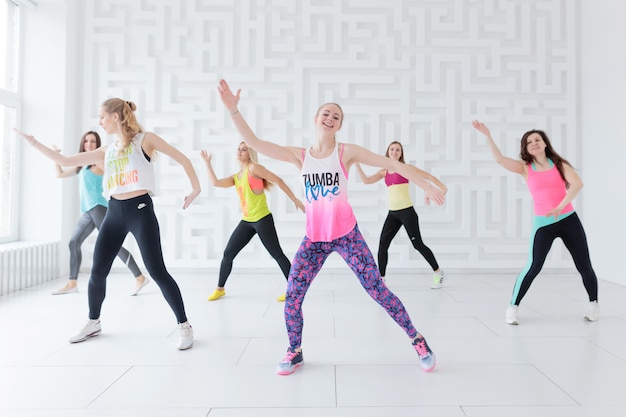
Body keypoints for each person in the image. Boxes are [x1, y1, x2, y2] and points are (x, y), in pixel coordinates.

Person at [218, 79, 447, 375]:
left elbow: (395, 165)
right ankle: (295, 351)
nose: (330, 118)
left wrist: (426, 186)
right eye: (326, 113)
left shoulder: (345, 153)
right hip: (314, 240)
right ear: (316, 120)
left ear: (339, 126)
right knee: (293, 297)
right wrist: (234, 111)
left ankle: (417, 340)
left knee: (378, 290)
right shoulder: (299, 155)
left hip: (347, 236)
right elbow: (257, 143)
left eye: (336, 116)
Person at [15, 98, 201, 349]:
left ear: (116, 117)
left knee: (156, 270)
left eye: (102, 116)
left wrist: (195, 188)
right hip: (114, 211)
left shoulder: (144, 140)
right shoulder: (107, 150)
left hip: (140, 210)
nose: (99, 122)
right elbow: (69, 161)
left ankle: (184, 326)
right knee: (98, 270)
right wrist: (34, 143)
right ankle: (93, 322)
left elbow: (183, 159)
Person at [471, 120, 599, 325]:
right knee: (533, 266)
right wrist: (487, 135)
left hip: (568, 220)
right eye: (529, 142)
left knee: (584, 265)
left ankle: (594, 305)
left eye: (537, 139)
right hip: (543, 224)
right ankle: (512, 307)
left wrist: (560, 206)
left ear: (545, 143)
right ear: (526, 148)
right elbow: (500, 159)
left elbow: (577, 184)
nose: (534, 143)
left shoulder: (559, 165)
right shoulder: (524, 168)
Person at [200, 142, 305, 302]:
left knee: (277, 254)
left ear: (250, 154)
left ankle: (295, 289)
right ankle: (220, 289)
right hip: (247, 221)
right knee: (228, 254)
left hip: (262, 219)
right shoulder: (237, 176)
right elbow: (216, 183)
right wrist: (207, 163)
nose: (240, 151)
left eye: (244, 149)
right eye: (239, 149)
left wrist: (294, 198)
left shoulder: (254, 168)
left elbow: (278, 179)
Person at [51, 131, 150, 296]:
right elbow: (59, 174)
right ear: (82, 143)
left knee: (113, 246)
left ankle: (139, 277)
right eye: (86, 141)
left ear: (97, 145)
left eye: (93, 142)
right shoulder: (82, 165)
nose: (89, 144)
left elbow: (114, 172)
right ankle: (72, 282)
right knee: (73, 242)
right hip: (88, 211)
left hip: (99, 207)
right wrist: (56, 156)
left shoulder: (98, 162)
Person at [354, 141, 446, 288]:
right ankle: (381, 280)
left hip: (407, 212)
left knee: (418, 245)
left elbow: (427, 176)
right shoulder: (383, 171)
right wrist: (356, 163)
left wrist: (442, 189)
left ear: (401, 153)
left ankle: (438, 272)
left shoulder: (405, 168)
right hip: (393, 214)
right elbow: (366, 181)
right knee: (383, 245)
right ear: (388, 152)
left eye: (398, 150)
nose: (394, 152)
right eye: (392, 149)